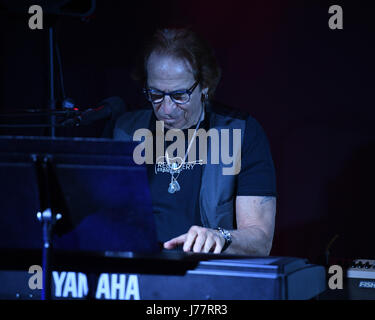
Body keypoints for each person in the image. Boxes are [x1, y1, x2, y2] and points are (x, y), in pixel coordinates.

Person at [114, 28, 276, 256]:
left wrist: (221, 237)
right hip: (136, 274)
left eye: (180, 95)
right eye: (156, 94)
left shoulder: (240, 132)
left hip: (208, 276)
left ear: (205, 86)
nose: (167, 109)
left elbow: (260, 241)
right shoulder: (124, 131)